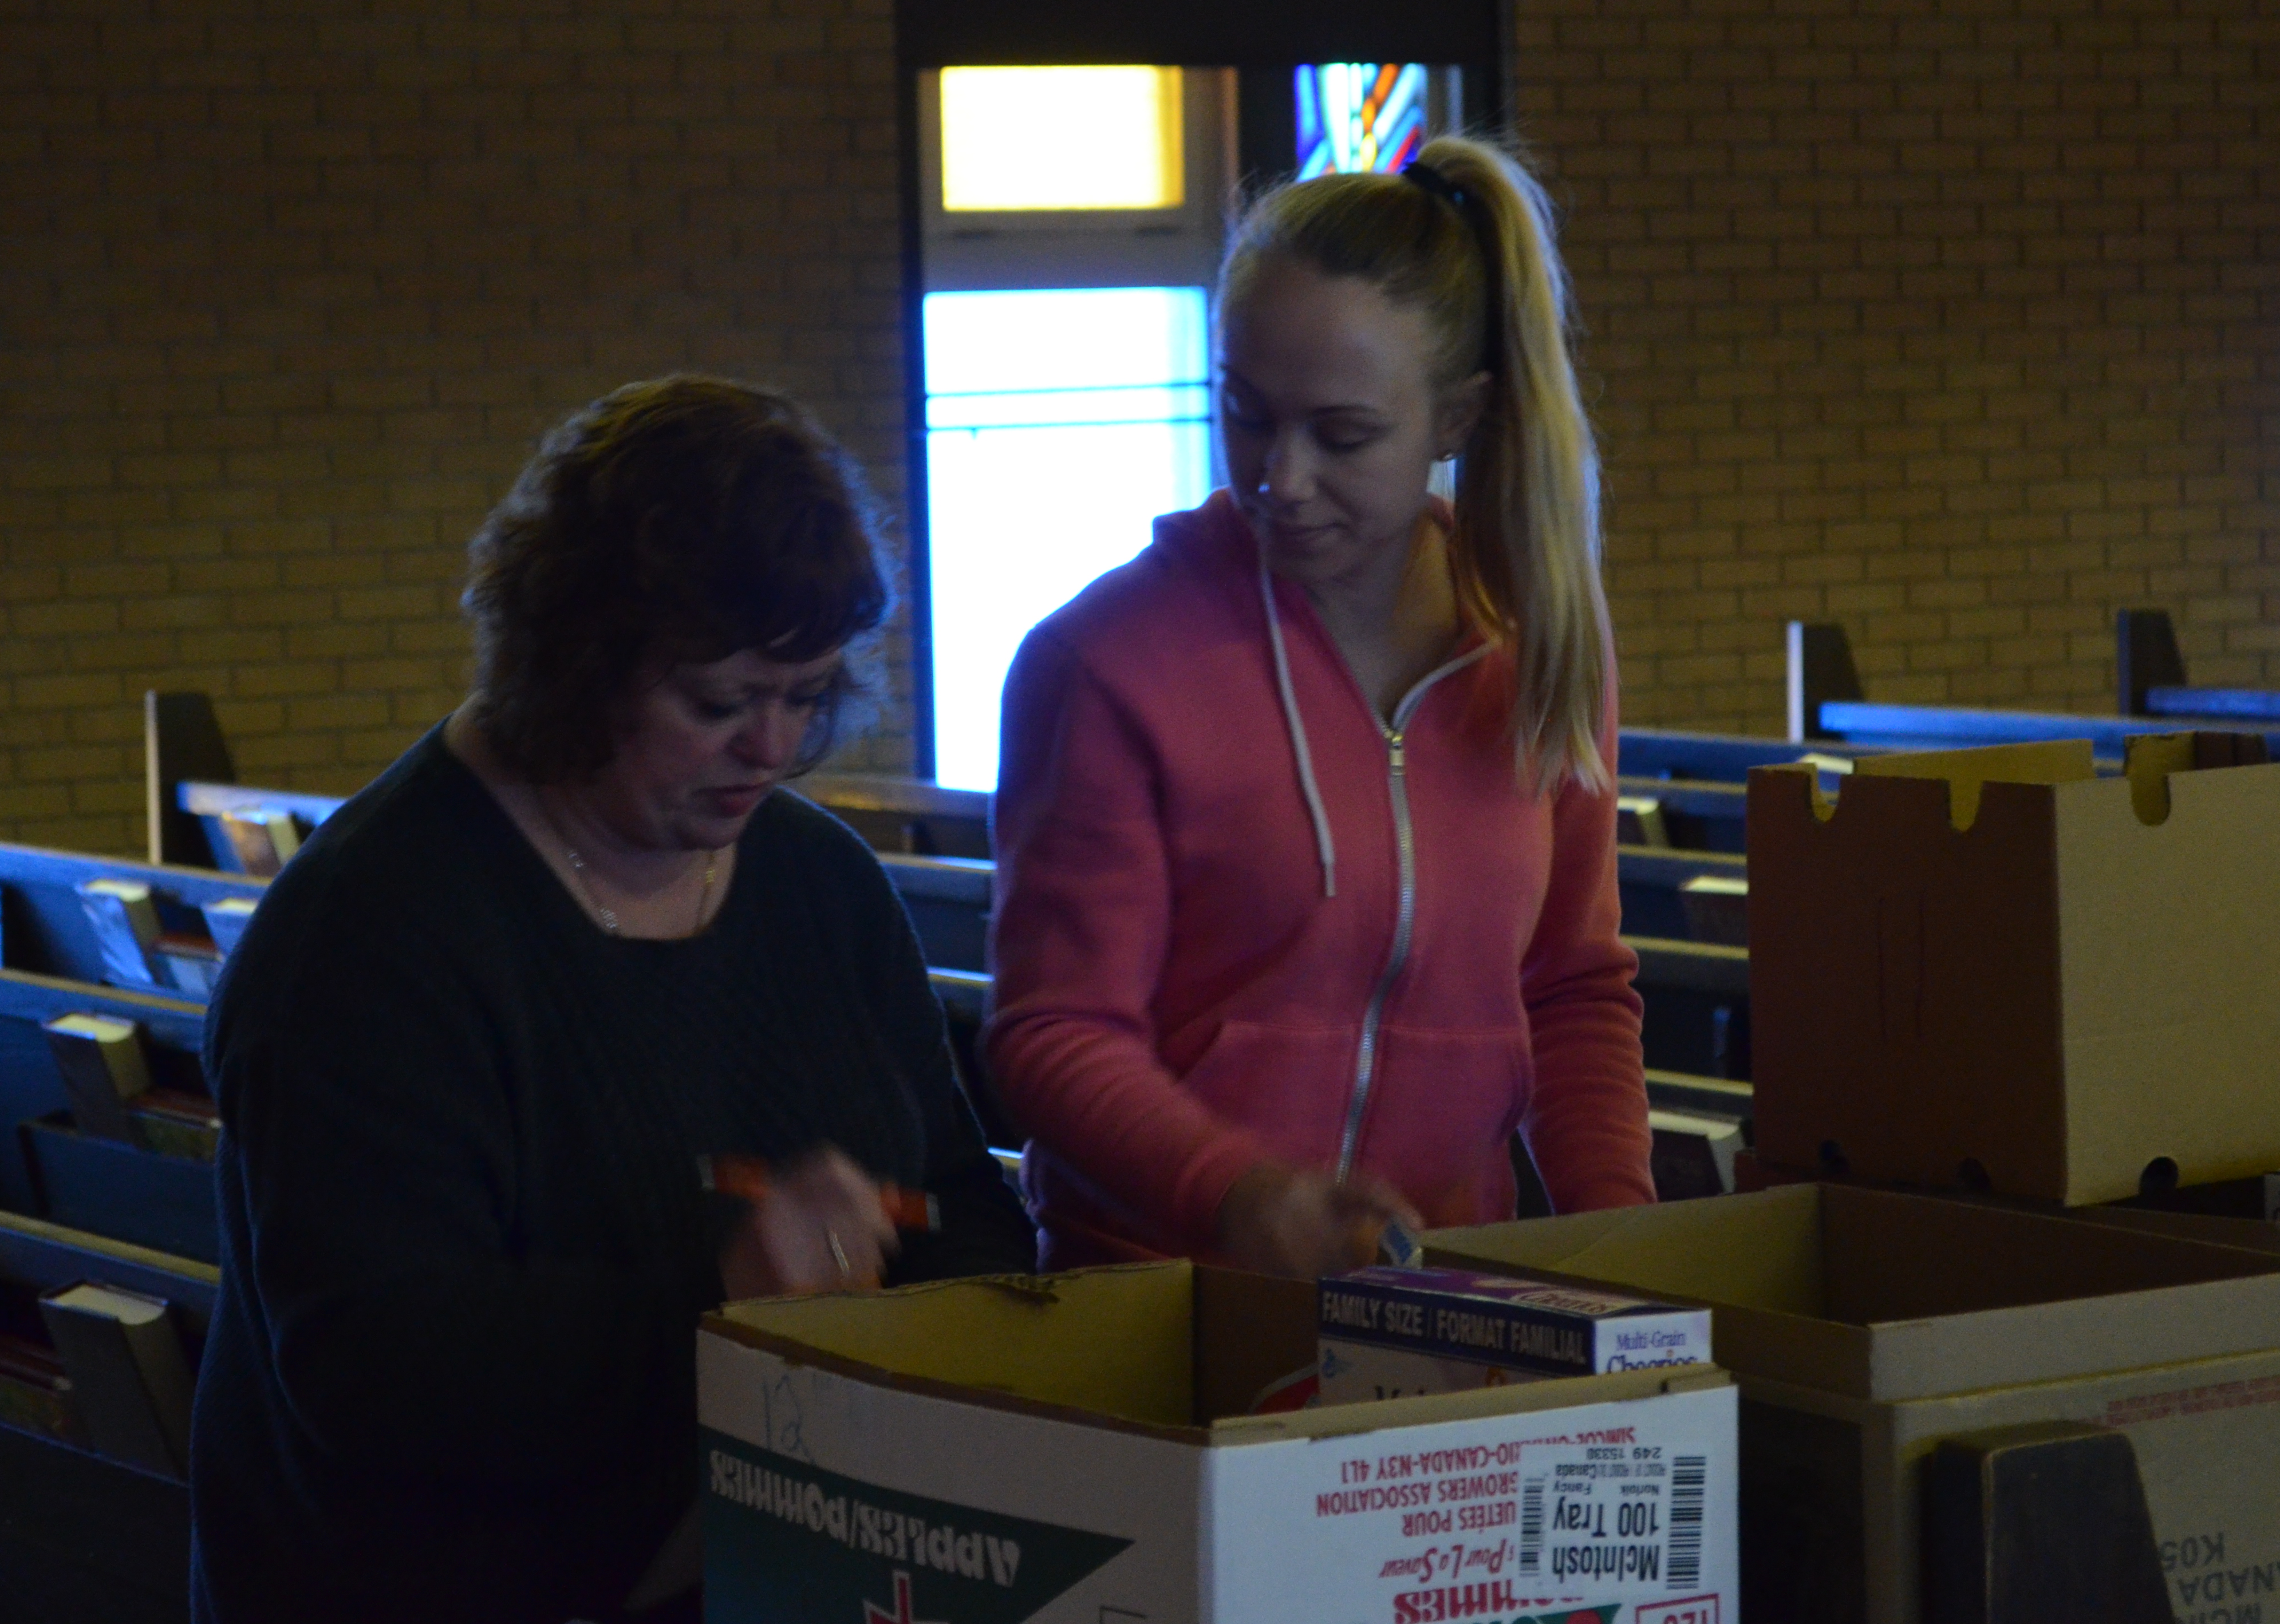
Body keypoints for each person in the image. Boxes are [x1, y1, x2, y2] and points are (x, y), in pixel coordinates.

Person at [190, 376, 1032, 1624]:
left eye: (805, 698)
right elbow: (376, 1376)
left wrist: (923, 1296)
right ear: (577, 661)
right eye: (719, 702)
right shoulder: (371, 933)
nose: (771, 748)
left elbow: (959, 1207)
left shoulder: (821, 885)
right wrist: (725, 1298)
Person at [981, 136, 1653, 1279]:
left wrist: (1630, 1246)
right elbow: (1053, 1031)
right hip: (1156, 1297)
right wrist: (1234, 1194)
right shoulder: (1108, 663)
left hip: (1435, 1299)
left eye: (1341, 436)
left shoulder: (1546, 659)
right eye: (1244, 413)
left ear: (1456, 417)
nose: (1277, 479)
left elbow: (1572, 992)